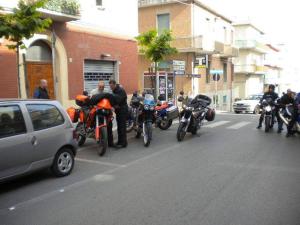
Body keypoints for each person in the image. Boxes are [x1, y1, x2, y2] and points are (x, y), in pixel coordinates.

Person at [109, 79, 128, 148]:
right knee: (119, 127)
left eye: (111, 86)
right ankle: (120, 141)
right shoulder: (115, 90)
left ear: (114, 84)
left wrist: (113, 106)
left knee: (122, 127)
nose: (111, 88)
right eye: (110, 87)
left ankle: (123, 143)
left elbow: (118, 100)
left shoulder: (120, 90)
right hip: (119, 111)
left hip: (122, 110)